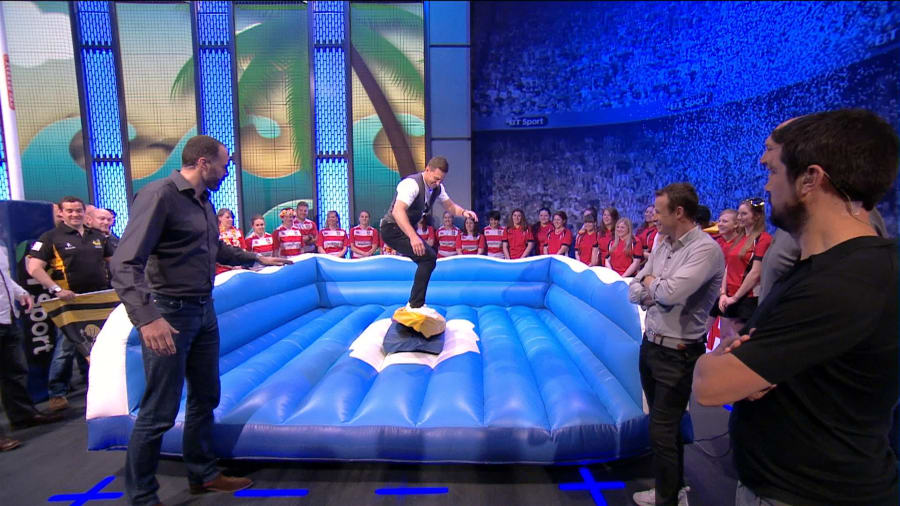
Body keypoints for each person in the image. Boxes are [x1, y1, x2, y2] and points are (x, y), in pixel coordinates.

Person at [694, 110, 900, 506]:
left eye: (774, 170)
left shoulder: (846, 280)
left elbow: (709, 384)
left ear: (810, 179)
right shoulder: (834, 269)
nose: (766, 182)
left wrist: (719, 361)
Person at [110, 135, 292, 505]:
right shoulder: (159, 195)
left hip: (203, 310)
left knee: (206, 396)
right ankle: (142, 496)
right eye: (224, 165)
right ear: (204, 162)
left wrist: (256, 259)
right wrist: (148, 318)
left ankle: (203, 474)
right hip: (169, 313)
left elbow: (214, 248)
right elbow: (124, 263)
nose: (226, 173)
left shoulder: (204, 201)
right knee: (159, 410)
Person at [628, 182, 724, 506]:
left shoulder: (705, 250)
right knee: (664, 427)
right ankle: (673, 489)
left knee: (663, 430)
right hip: (651, 345)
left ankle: (667, 499)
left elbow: (670, 293)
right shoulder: (661, 243)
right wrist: (652, 285)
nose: (653, 217)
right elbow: (635, 287)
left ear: (679, 212)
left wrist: (652, 285)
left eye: (658, 211)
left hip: (678, 353)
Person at [27, 196, 116, 409]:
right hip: (70, 303)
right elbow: (34, 268)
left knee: (100, 345)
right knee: (65, 348)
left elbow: (113, 264)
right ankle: (57, 393)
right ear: (61, 213)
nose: (75, 214)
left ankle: (98, 386)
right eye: (69, 211)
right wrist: (57, 289)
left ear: (85, 213)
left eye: (78, 211)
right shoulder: (50, 237)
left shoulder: (98, 236)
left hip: (100, 300)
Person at [379, 156, 477, 310]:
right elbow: (398, 211)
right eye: (436, 179)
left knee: (427, 259)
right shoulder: (411, 184)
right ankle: (415, 305)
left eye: (441, 180)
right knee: (428, 258)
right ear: (427, 170)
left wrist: (464, 212)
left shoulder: (437, 188)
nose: (437, 183)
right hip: (392, 229)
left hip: (403, 230)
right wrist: (413, 237)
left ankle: (415, 303)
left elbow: (450, 207)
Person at [0, 243, 61, 451]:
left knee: (15, 372)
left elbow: (4, 278)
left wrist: (20, 293)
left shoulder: (1, 248)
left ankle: (23, 416)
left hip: (8, 318)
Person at [713, 198, 772, 339]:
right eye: (739, 214)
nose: (739, 217)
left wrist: (735, 297)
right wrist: (723, 293)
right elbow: (728, 267)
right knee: (725, 338)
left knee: (737, 341)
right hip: (730, 296)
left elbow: (755, 272)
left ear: (756, 216)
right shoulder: (740, 238)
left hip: (747, 298)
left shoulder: (763, 239)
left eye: (744, 214)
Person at [215, 208, 246, 275]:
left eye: (232, 217)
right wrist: (230, 267)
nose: (231, 219)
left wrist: (241, 265)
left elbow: (243, 250)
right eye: (227, 217)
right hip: (222, 270)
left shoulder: (238, 232)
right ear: (220, 218)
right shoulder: (215, 233)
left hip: (239, 268)